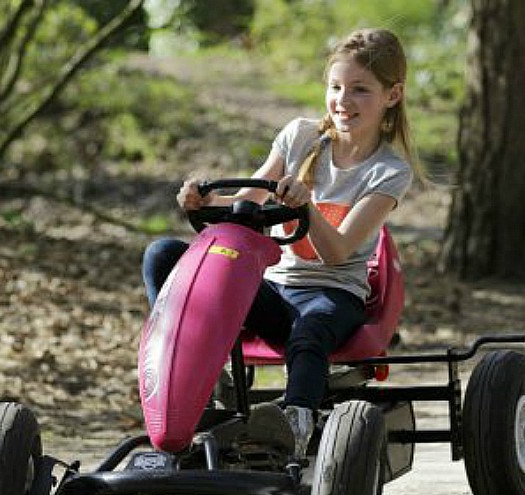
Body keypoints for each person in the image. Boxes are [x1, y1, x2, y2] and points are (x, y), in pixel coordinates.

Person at [142, 28, 419, 457]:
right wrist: (205, 201)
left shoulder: (388, 172)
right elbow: (246, 204)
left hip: (333, 295)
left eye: (360, 90)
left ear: (392, 95)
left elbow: (338, 252)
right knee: (164, 255)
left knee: (309, 334)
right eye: (336, 87)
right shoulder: (300, 137)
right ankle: (188, 377)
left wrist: (305, 206)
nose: (343, 101)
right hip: (273, 290)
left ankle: (293, 424)